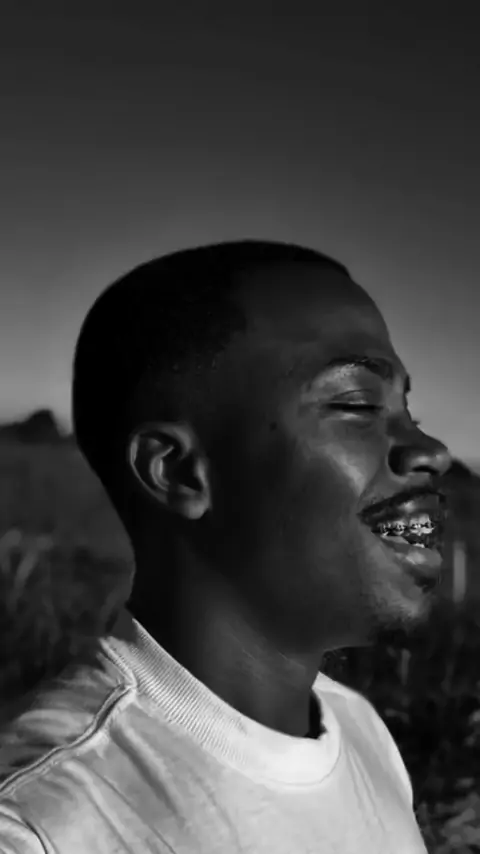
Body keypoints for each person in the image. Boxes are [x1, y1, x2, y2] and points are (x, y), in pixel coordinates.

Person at [0, 240, 451, 852]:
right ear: (178, 472)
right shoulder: (42, 824)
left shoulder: (362, 730)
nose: (431, 450)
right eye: (357, 403)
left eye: (405, 408)